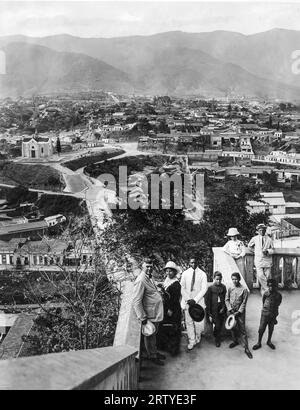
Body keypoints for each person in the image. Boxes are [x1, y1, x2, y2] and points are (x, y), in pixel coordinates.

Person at [132, 258, 165, 366]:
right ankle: (152, 356)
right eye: (147, 266)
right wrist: (142, 317)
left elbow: (150, 291)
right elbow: (136, 301)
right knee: (149, 335)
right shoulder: (141, 280)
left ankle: (154, 352)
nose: (150, 268)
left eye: (151, 266)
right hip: (149, 313)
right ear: (142, 266)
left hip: (155, 311)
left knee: (153, 333)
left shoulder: (149, 277)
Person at [181, 257, 208, 350]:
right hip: (188, 301)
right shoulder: (185, 274)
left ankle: (197, 336)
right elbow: (182, 288)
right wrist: (188, 299)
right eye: (191, 262)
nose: (193, 264)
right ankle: (191, 340)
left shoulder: (202, 274)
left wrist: (195, 300)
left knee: (198, 322)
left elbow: (204, 289)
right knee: (189, 322)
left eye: (195, 262)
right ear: (189, 263)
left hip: (198, 302)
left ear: (198, 262)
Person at [225, 272, 253, 359]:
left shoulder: (244, 290)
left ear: (239, 279)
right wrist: (230, 309)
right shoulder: (230, 288)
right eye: (233, 279)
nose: (234, 281)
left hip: (240, 313)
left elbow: (244, 303)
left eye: (236, 279)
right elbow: (227, 299)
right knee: (232, 327)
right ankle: (235, 341)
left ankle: (246, 348)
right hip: (231, 311)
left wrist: (239, 312)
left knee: (242, 330)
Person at [157, 261, 182, 356]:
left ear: (175, 272)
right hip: (166, 307)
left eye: (170, 271)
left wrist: (170, 309)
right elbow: (166, 293)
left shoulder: (176, 284)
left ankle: (174, 350)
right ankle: (165, 346)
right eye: (167, 271)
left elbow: (175, 299)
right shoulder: (167, 280)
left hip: (173, 309)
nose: (168, 273)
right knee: (166, 327)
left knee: (173, 329)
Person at [253, 279, 282, 351]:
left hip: (273, 314)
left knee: (271, 328)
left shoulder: (278, 295)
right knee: (261, 329)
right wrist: (266, 309)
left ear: (275, 286)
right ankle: (259, 342)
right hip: (265, 314)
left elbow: (278, 304)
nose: (270, 288)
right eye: (269, 286)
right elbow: (263, 302)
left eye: (272, 286)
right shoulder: (266, 294)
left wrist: (275, 316)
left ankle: (269, 341)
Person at [248, 224, 274, 296]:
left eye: (263, 230)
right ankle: (267, 289)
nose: (262, 231)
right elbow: (249, 246)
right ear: (258, 231)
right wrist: (256, 252)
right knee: (260, 275)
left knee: (268, 276)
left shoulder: (269, 239)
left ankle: (264, 291)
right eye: (260, 230)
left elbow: (273, 249)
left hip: (267, 260)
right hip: (258, 260)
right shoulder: (254, 238)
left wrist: (268, 251)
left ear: (265, 230)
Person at [205, 271, 227, 347]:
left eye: (220, 279)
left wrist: (223, 307)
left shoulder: (223, 287)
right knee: (217, 325)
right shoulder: (210, 288)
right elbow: (207, 302)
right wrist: (209, 314)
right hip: (213, 310)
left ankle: (217, 334)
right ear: (214, 278)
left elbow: (225, 299)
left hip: (221, 309)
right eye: (217, 279)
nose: (218, 281)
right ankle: (217, 339)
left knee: (220, 324)